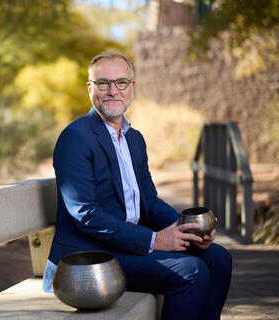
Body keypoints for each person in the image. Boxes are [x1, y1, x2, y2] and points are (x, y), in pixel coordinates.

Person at [42, 50, 232, 320]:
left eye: (121, 82)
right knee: (191, 271)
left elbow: (150, 201)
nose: (112, 91)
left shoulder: (134, 139)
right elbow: (86, 214)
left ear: (132, 87)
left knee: (220, 258)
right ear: (90, 88)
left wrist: (187, 229)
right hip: (89, 258)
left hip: (126, 246)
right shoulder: (75, 137)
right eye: (103, 83)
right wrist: (155, 240)